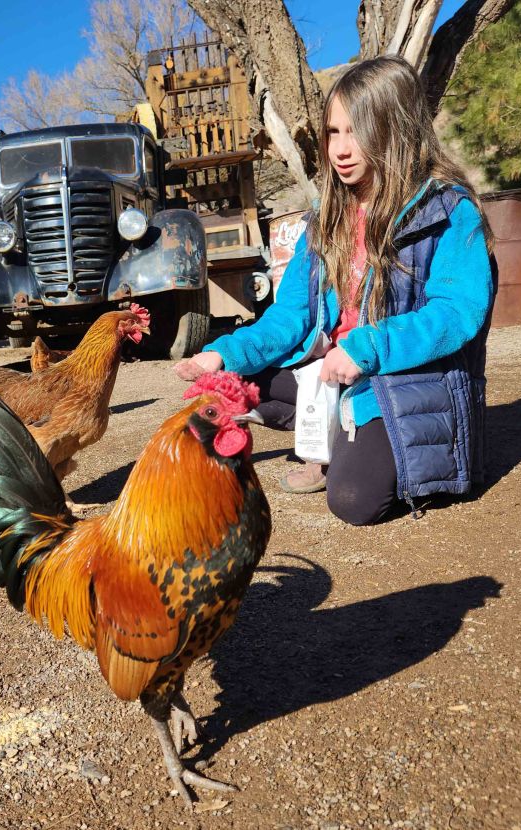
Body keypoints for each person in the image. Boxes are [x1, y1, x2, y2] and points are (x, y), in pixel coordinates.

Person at [174, 55, 495, 526]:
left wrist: (367, 348)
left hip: (400, 377)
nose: (340, 150)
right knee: (238, 384)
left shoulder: (448, 211)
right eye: (333, 132)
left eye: (357, 132)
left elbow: (456, 314)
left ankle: (344, 436)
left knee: (353, 500)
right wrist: (224, 355)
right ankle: (333, 429)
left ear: (396, 130)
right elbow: (292, 316)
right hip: (337, 371)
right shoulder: (325, 218)